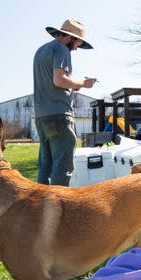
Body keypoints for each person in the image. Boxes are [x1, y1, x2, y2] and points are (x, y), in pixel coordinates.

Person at [33, 19, 97, 186]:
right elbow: (59, 80)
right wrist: (83, 84)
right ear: (69, 38)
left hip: (41, 116)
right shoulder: (62, 49)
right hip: (59, 116)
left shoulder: (41, 50)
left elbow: (53, 81)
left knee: (46, 165)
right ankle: (58, 207)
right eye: (78, 42)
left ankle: (40, 206)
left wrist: (74, 86)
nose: (77, 48)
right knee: (62, 165)